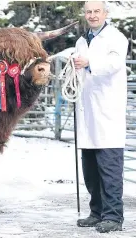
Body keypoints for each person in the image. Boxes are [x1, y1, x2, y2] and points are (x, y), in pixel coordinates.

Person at [72, 1, 129, 233]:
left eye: (97, 11)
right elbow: (77, 70)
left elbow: (114, 64)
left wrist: (89, 63)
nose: (92, 15)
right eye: (89, 12)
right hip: (87, 113)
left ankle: (113, 216)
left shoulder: (116, 38)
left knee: (109, 169)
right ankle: (96, 212)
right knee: (90, 170)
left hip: (107, 112)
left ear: (105, 13)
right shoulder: (82, 40)